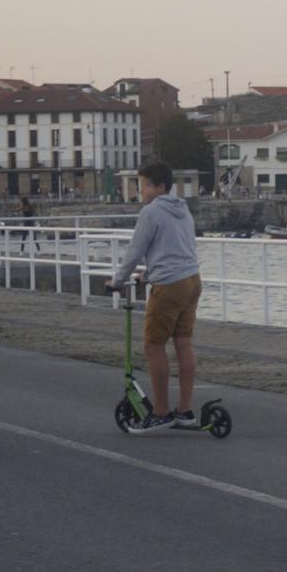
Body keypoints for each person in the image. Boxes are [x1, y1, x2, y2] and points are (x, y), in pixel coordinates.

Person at [105, 162, 203, 435]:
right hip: (192, 280)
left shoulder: (151, 212)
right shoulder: (182, 209)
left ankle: (160, 413)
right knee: (183, 342)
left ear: (160, 186)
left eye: (145, 185)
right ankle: (184, 411)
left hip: (170, 286)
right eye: (140, 185)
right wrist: (148, 274)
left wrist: (117, 281)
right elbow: (175, 247)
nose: (142, 191)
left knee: (153, 345)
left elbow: (135, 251)